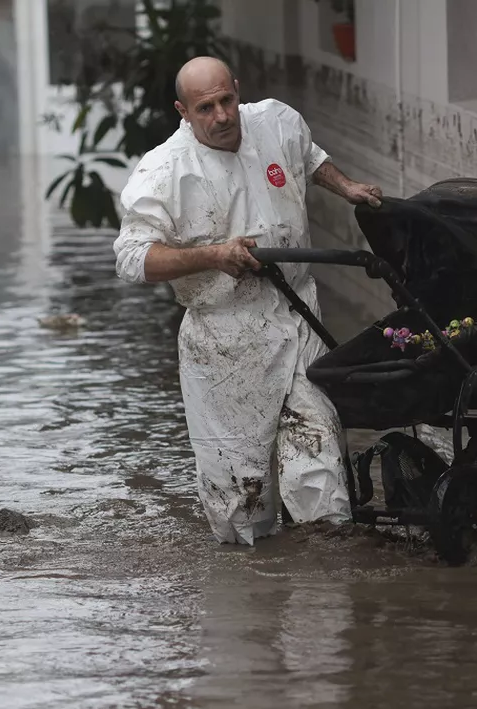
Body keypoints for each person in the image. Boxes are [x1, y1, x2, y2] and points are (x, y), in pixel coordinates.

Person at [112, 56, 384, 546]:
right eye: (205, 108)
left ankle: (323, 588)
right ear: (183, 111)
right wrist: (213, 255)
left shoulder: (276, 121)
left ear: (238, 91)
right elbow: (133, 259)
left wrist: (347, 188)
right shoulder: (165, 170)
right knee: (241, 494)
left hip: (297, 313)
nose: (221, 116)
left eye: (227, 100)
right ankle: (250, 590)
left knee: (317, 455)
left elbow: (310, 156)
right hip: (225, 339)